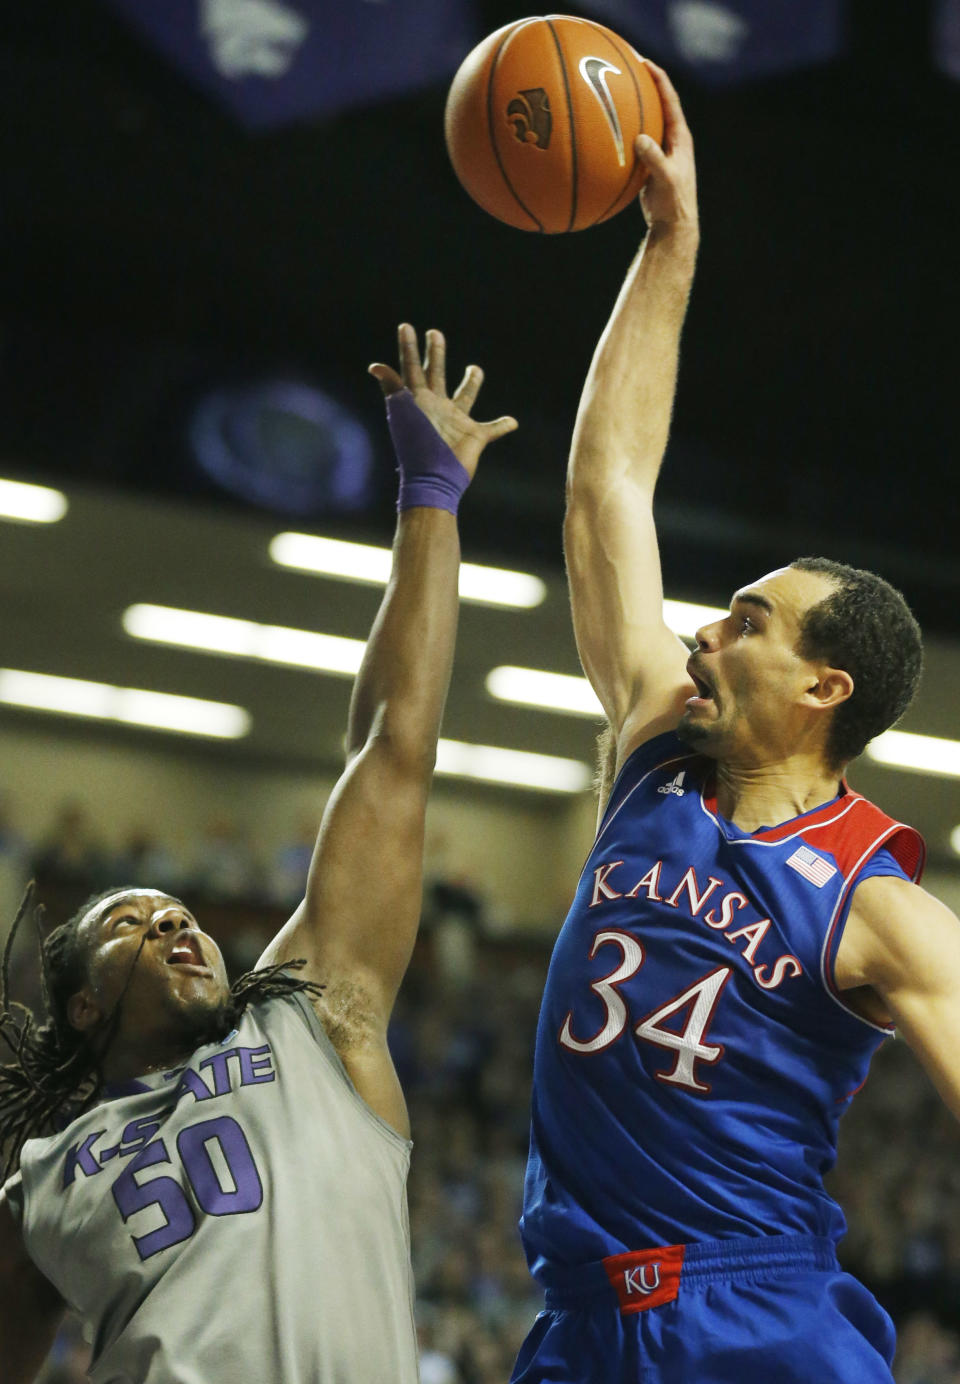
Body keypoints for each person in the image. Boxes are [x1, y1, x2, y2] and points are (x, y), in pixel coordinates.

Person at [511, 62, 960, 1384]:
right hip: (581, 1328)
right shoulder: (657, 755)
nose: (705, 630)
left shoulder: (877, 899)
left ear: (829, 687)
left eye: (750, 620)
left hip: (753, 1324)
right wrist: (671, 244)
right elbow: (608, 489)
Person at [0, 323, 517, 1384]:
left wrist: (429, 495)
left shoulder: (314, 1017)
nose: (176, 920)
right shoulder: (36, 1182)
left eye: (178, 912)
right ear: (85, 1006)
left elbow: (392, 752)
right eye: (132, 923)